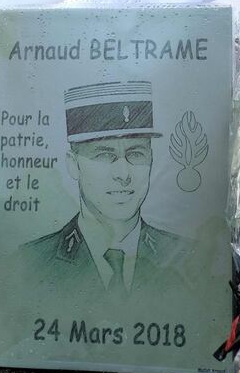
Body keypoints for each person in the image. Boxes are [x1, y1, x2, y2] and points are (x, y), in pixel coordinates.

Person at [18, 81, 189, 299]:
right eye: (104, 155)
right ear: (73, 164)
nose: (123, 174)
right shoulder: (31, 263)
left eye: (136, 153)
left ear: (151, 158)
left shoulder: (188, 258)